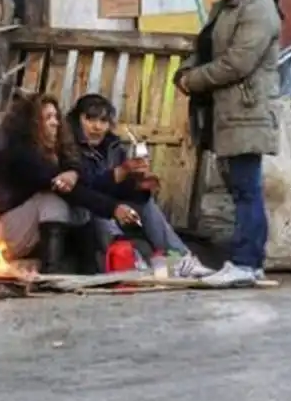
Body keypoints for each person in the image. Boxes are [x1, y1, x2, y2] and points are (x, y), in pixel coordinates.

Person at [173, 0, 282, 288]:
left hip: (246, 112)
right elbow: (205, 47)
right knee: (240, 189)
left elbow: (238, 62)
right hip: (228, 112)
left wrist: (194, 81)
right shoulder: (226, 6)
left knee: (246, 189)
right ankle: (248, 261)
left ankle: (246, 263)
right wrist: (186, 72)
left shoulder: (259, 8)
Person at [0, 92, 134, 273]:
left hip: (29, 237)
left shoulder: (59, 151)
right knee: (52, 201)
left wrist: (75, 173)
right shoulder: (21, 154)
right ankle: (51, 273)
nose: (55, 123)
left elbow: (85, 184)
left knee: (81, 206)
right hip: (2, 235)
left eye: (56, 117)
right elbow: (61, 186)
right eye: (47, 118)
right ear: (32, 123)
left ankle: (89, 270)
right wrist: (113, 208)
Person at [66, 93, 215, 279]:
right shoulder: (69, 146)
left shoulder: (113, 146)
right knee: (99, 208)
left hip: (108, 203)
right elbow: (84, 187)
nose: (97, 126)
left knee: (145, 204)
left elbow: (116, 188)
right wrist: (121, 172)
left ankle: (181, 259)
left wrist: (138, 186)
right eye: (90, 119)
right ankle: (129, 262)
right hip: (82, 208)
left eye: (103, 121)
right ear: (77, 119)